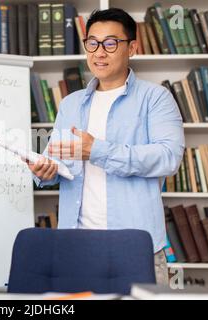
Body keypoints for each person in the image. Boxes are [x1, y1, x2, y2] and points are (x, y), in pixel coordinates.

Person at [25, 8, 185, 285]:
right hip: (75, 243)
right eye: (92, 43)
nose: (99, 52)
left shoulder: (156, 98)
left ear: (132, 47)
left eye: (111, 43)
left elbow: (168, 157)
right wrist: (43, 170)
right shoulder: (71, 103)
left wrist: (96, 150)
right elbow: (56, 159)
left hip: (134, 244)